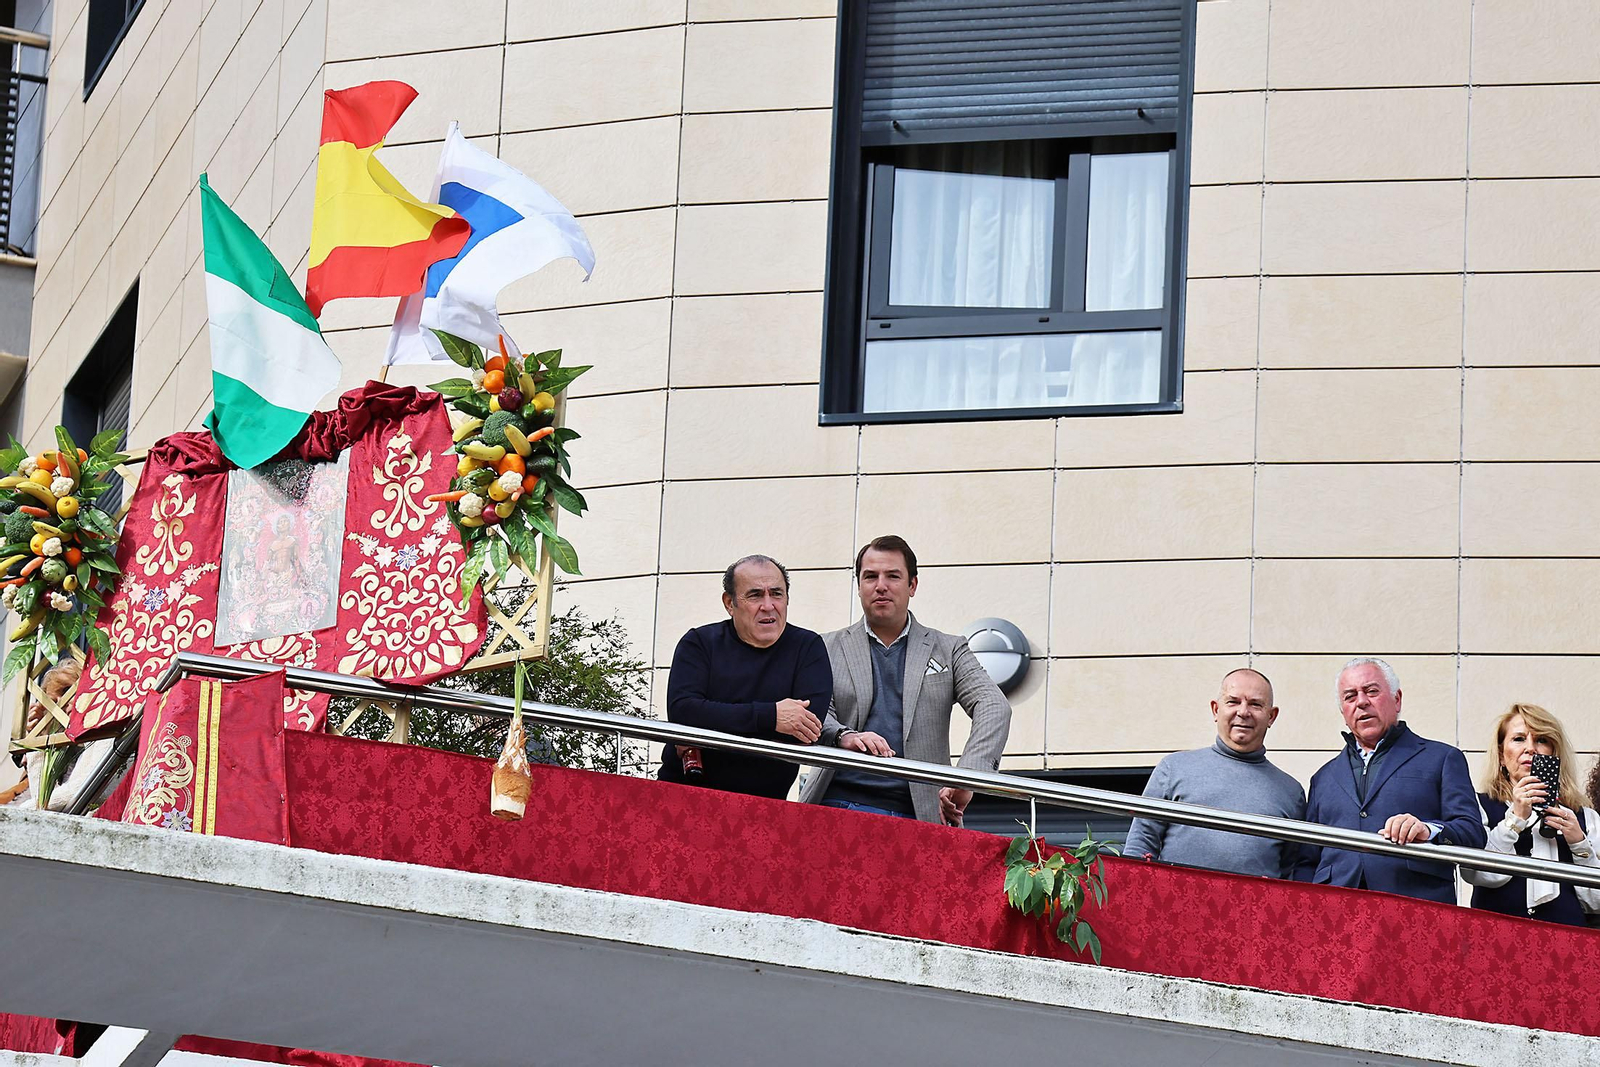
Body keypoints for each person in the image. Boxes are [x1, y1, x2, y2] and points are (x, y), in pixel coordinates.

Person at [799, 535, 1010, 825]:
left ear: (912, 585)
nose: (881, 585)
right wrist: (845, 735)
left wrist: (967, 777)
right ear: (859, 586)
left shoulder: (948, 648)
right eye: (870, 576)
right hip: (838, 804)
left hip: (921, 813)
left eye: (893, 576)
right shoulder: (825, 647)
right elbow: (815, 710)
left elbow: (993, 705)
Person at [1295, 657, 1485, 903]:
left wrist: (1427, 830)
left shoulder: (1442, 758)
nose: (1361, 701)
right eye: (1350, 697)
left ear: (1397, 699)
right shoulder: (1323, 777)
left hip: (1415, 909)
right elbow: (1307, 860)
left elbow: (1472, 832)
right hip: (1335, 915)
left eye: (1372, 691)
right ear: (1343, 712)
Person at [657, 554, 832, 799]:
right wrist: (771, 716)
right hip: (685, 795)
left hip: (764, 807)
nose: (768, 605)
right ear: (729, 603)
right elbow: (684, 712)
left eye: (777, 594)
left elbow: (806, 728)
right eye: (755, 595)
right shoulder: (699, 643)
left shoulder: (807, 647)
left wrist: (711, 724)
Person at [1124, 668, 1305, 878]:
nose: (1243, 712)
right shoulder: (1173, 768)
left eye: (1255, 704)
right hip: (1176, 906)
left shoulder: (1291, 792)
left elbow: (1288, 871)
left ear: (1271, 716)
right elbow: (1141, 843)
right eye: (1233, 702)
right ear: (1215, 710)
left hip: (1253, 909)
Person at [1461, 704, 1599, 925]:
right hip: (1495, 936)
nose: (1530, 748)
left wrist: (1579, 844)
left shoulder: (1586, 817)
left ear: (1554, 752)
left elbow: (1596, 902)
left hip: (1565, 941)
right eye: (1518, 739)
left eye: (1542, 740)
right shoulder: (1479, 806)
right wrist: (1514, 819)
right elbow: (1476, 875)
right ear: (1502, 756)